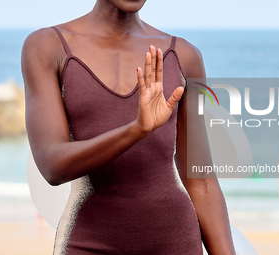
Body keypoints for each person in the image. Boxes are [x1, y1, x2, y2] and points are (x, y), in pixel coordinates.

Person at [21, 0, 236, 254]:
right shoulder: (48, 47)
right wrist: (136, 130)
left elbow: (201, 182)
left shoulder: (185, 57)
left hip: (175, 242)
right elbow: (52, 165)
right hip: (88, 243)